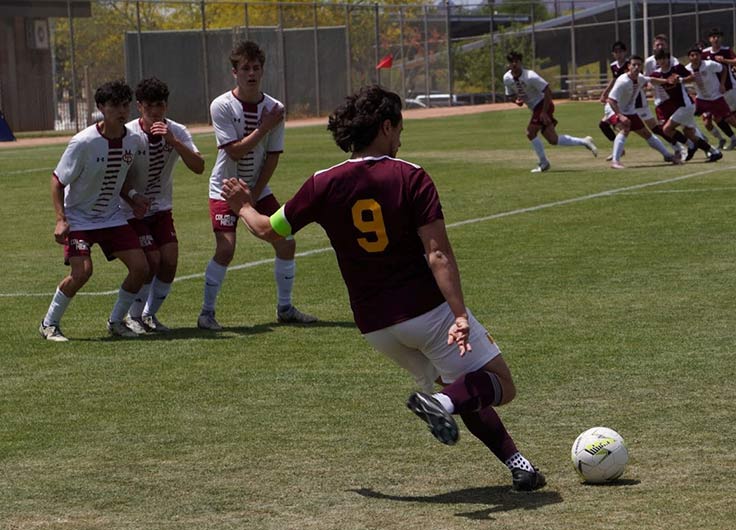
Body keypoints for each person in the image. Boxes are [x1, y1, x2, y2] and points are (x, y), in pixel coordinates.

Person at [220, 85, 547, 492]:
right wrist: (459, 314)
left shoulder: (322, 183)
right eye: (398, 129)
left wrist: (243, 205)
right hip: (426, 312)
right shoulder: (409, 176)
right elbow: (438, 254)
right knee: (499, 383)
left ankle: (519, 465)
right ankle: (441, 404)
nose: (400, 139)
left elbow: (269, 230)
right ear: (386, 126)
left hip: (374, 326)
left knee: (461, 386)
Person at [199, 40, 316, 331]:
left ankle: (285, 308)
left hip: (257, 188)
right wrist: (264, 127)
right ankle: (206, 314)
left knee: (286, 242)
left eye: (256, 68)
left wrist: (253, 191)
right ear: (234, 72)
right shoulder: (222, 105)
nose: (251, 73)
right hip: (224, 187)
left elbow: (273, 155)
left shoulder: (275, 107)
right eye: (245, 68)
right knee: (226, 250)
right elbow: (235, 151)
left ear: (262, 70)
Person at [39, 80, 150, 341]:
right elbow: (57, 181)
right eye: (114, 105)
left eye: (125, 105)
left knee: (141, 268)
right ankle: (49, 323)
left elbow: (118, 178)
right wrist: (60, 219)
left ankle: (116, 321)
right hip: (79, 219)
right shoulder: (83, 142)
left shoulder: (132, 140)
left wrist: (134, 198)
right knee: (82, 272)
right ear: (101, 107)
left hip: (112, 217)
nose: (121, 111)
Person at [122, 77, 205, 334]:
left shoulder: (177, 131)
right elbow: (117, 177)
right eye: (149, 107)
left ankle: (149, 315)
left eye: (160, 105)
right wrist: (134, 197)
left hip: (161, 208)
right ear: (139, 107)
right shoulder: (129, 134)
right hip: (131, 210)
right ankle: (131, 316)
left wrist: (174, 142)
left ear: (166, 106)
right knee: (152, 260)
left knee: (170, 260)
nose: (155, 112)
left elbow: (199, 167)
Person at [502, 51, 598, 172]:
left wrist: (543, 112)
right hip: (535, 108)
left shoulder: (530, 76)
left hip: (543, 105)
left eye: (517, 61)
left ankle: (544, 163)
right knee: (553, 139)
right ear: (508, 64)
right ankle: (584, 141)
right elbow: (510, 95)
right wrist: (516, 101)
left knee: (530, 132)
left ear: (521, 63)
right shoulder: (507, 78)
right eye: (512, 62)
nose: (514, 64)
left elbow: (548, 91)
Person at [648, 49, 723, 163]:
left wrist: (680, 80)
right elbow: (650, 81)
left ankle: (690, 146)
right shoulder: (657, 74)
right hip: (679, 107)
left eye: (664, 58)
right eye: (659, 59)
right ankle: (714, 152)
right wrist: (659, 82)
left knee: (667, 129)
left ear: (669, 58)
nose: (662, 61)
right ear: (657, 61)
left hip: (686, 105)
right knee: (689, 133)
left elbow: (693, 77)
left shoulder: (676, 69)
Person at [607, 55, 680, 168]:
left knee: (646, 134)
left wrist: (667, 81)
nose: (636, 67)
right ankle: (615, 162)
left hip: (629, 111)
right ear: (628, 66)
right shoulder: (623, 81)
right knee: (626, 128)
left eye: (639, 65)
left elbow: (651, 80)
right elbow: (611, 100)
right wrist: (620, 115)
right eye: (633, 65)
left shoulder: (640, 78)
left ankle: (667, 155)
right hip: (613, 109)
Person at [685, 47, 736, 154]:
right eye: (692, 55)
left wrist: (722, 84)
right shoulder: (687, 69)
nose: (695, 57)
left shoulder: (709, 64)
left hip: (716, 97)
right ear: (689, 57)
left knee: (732, 120)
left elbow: (724, 69)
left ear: (700, 56)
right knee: (687, 116)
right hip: (702, 99)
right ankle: (702, 142)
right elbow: (682, 79)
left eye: (697, 55)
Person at [599, 41, 630, 159]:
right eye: (616, 52)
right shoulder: (613, 66)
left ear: (625, 52)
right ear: (613, 54)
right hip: (615, 99)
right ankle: (618, 150)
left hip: (624, 100)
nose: (618, 54)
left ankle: (618, 151)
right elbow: (614, 80)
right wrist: (605, 93)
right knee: (603, 125)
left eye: (620, 51)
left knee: (621, 127)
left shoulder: (629, 65)